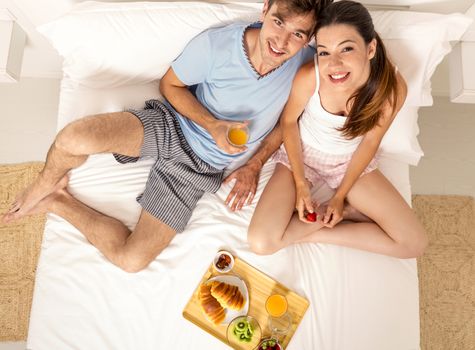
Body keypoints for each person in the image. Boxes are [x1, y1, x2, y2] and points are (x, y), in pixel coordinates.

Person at [2, 0, 330, 272]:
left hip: (199, 171)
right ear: (265, 10)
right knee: (74, 138)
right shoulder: (218, 46)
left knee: (131, 260)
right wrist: (212, 125)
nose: (281, 42)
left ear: (309, 38)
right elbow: (169, 85)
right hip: (173, 126)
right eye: (278, 22)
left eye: (297, 34)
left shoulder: (303, 67)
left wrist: (254, 164)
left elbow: (288, 123)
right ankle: (44, 183)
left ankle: (58, 202)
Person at [248, 0, 428, 258]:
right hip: (301, 156)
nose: (334, 65)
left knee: (414, 243)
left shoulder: (391, 88)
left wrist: (339, 197)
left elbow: (369, 142)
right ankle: (350, 216)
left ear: (370, 48)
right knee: (261, 243)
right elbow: (288, 123)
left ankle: (318, 227)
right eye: (324, 52)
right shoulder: (311, 76)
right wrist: (301, 184)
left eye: (346, 49)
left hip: (348, 162)